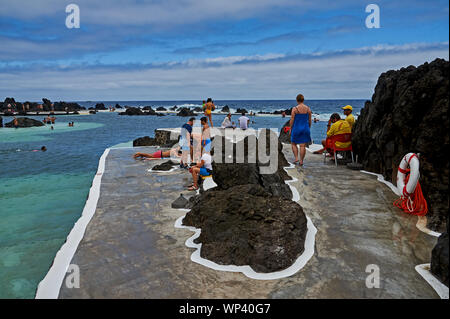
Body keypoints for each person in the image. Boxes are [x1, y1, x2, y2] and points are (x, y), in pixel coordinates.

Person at [289, 94, 312, 166]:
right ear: (303, 100)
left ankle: (296, 158)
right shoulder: (308, 108)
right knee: (302, 146)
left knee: (293, 143)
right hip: (305, 128)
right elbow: (309, 119)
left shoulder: (295, 109)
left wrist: (290, 128)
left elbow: (292, 119)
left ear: (297, 100)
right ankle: (301, 161)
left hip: (296, 128)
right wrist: (309, 127)